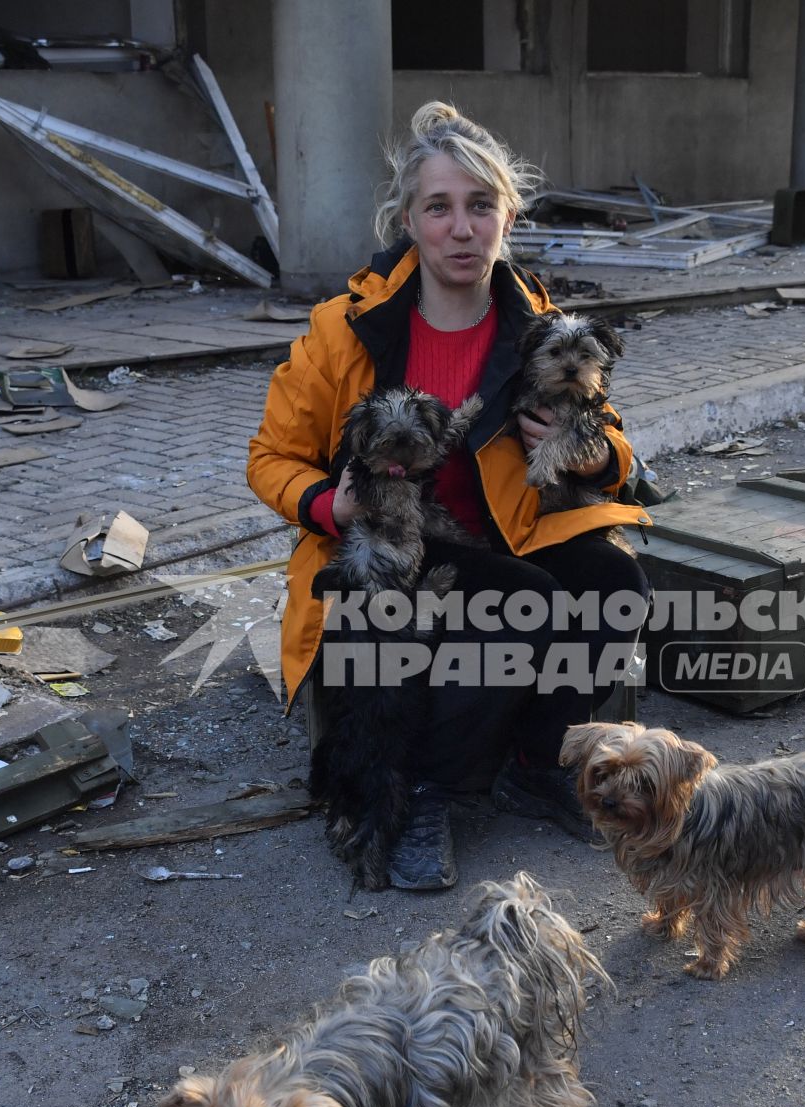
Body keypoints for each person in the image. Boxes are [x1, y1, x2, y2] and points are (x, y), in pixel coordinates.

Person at [248, 101, 652, 892]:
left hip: (511, 530)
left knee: (615, 585)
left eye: (480, 206)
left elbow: (612, 441)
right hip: (390, 544)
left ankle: (540, 763)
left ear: (507, 216)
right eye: (440, 208)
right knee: (503, 610)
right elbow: (271, 458)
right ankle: (428, 795)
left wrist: (595, 453)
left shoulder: (535, 323)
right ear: (410, 220)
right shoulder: (346, 328)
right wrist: (334, 508)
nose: (462, 229)